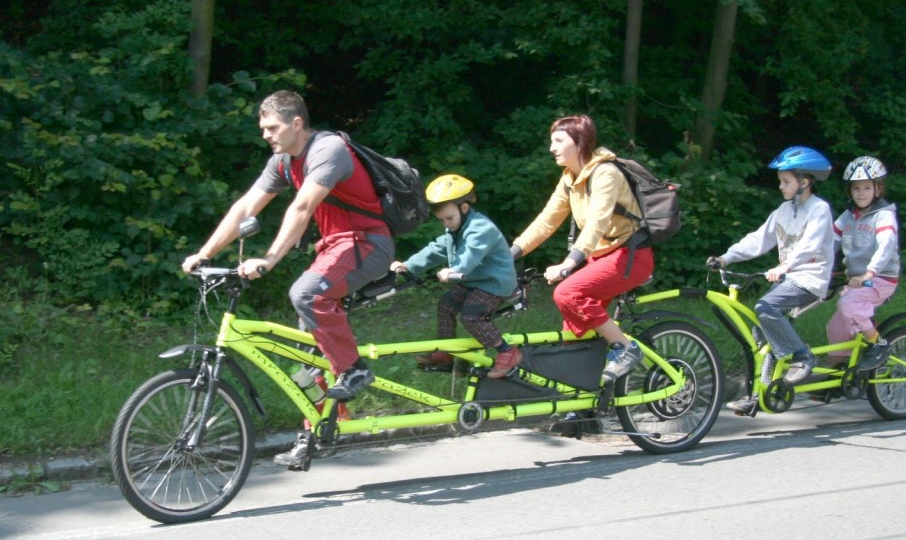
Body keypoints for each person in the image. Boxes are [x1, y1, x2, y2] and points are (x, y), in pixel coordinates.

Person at [181, 90, 394, 468]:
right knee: (304, 350)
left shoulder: (329, 150)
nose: (265, 134)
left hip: (368, 244)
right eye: (263, 128)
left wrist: (269, 258)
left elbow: (303, 206)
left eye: (272, 127)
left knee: (306, 294)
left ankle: (355, 369)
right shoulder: (283, 161)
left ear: (297, 123)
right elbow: (245, 205)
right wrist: (206, 253)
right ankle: (321, 425)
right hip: (333, 249)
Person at [510, 114, 654, 383]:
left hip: (630, 256)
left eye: (558, 140)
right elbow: (546, 221)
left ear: (580, 142)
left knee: (568, 293)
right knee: (574, 333)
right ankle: (581, 408)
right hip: (601, 259)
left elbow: (597, 223)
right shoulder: (570, 178)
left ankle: (625, 348)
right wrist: (511, 254)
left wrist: (569, 262)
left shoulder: (605, 173)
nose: (551, 147)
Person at [707, 145, 835, 416]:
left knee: (765, 308)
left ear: (805, 181)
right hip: (788, 278)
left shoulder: (819, 209)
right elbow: (758, 239)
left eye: (786, 181)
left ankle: (803, 357)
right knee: (761, 333)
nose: (781, 186)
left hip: (809, 279)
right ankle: (759, 395)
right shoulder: (783, 210)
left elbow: (810, 245)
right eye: (780, 181)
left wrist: (785, 265)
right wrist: (726, 258)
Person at [390, 174, 521, 378]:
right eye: (442, 220)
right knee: (446, 305)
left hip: (494, 283)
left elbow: (471, 254)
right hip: (474, 281)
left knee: (471, 316)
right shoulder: (455, 231)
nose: (446, 223)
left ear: (464, 208)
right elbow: (436, 250)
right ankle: (446, 351)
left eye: (449, 218)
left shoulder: (480, 228)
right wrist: (408, 266)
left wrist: (454, 269)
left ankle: (507, 351)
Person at [826, 156, 900, 370]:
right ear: (850, 191)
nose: (861, 193)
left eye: (867, 188)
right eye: (856, 188)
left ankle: (878, 344)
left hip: (880, 278)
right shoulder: (847, 217)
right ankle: (836, 376)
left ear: (878, 189)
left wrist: (870, 272)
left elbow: (886, 244)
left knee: (849, 304)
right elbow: (829, 243)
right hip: (856, 282)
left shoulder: (884, 216)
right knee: (836, 327)